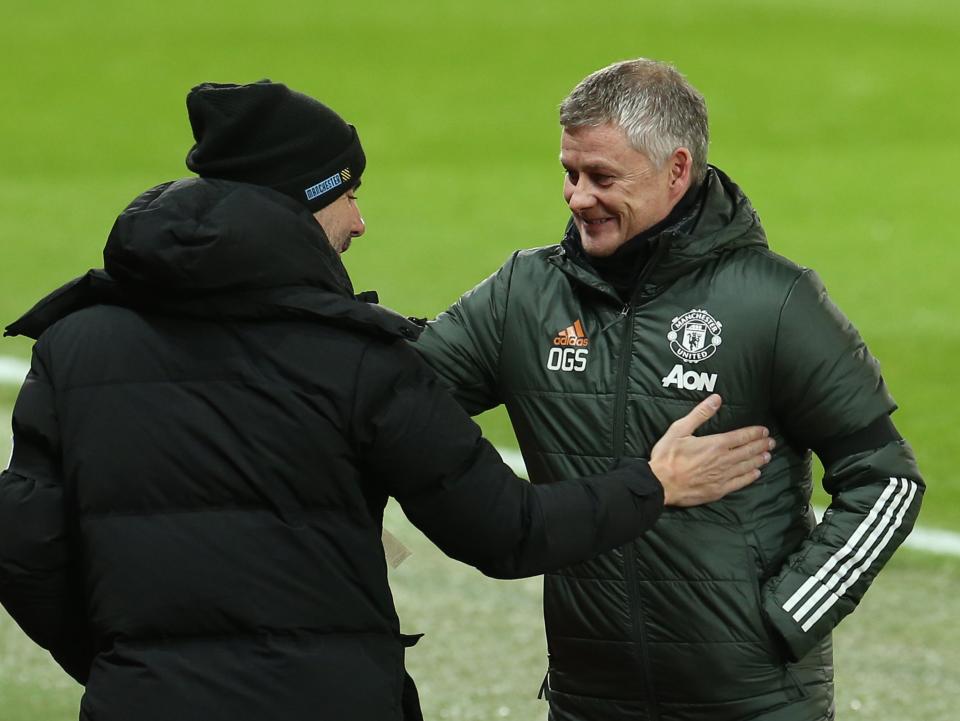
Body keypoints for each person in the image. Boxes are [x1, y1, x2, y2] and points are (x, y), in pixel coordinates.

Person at [0, 81, 774, 721]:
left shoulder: (73, 344)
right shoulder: (359, 358)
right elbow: (506, 531)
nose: (360, 221)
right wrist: (656, 483)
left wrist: (135, 668)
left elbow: (23, 550)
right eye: (346, 193)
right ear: (299, 202)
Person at [415, 59, 925, 721]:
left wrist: (787, 617)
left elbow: (886, 481)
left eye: (602, 177)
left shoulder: (772, 302)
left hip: (754, 703)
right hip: (590, 700)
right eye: (569, 173)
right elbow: (396, 397)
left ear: (676, 170)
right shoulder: (524, 296)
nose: (576, 197)